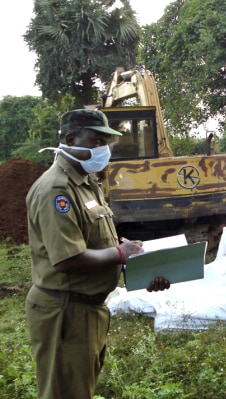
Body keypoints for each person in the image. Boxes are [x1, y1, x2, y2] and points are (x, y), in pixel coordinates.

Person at [25, 109, 171, 399]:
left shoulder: (87, 182)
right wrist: (120, 252)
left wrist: (138, 262)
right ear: (71, 138)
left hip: (89, 310)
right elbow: (68, 258)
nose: (104, 149)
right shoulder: (57, 189)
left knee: (80, 390)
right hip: (65, 313)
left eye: (106, 141)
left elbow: (96, 244)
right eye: (96, 140)